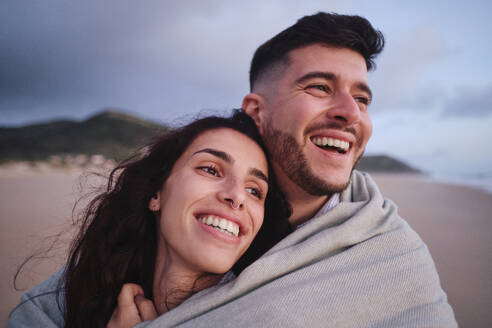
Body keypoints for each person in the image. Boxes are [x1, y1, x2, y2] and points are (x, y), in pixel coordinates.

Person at [132, 12, 458, 327]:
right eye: (320, 87)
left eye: (361, 99)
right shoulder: (151, 240)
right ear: (257, 111)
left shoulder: (393, 258)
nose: (350, 113)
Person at [6, 112, 291, 328]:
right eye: (210, 170)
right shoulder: (66, 295)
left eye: (255, 191)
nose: (237, 196)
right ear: (156, 193)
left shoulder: (268, 312)